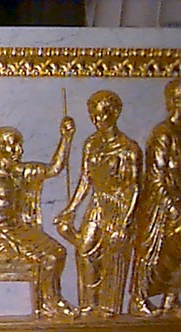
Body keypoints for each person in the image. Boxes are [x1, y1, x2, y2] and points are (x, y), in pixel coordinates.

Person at [54, 91, 142, 317]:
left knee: (113, 255)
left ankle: (109, 307)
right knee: (84, 251)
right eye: (93, 115)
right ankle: (88, 303)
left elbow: (134, 188)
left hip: (119, 206)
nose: (97, 120)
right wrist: (70, 209)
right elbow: (86, 180)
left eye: (102, 114)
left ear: (115, 113)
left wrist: (124, 221)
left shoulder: (129, 148)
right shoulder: (92, 144)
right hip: (98, 204)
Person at [0, 124, 77, 318]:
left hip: (20, 230)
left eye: (20, 145)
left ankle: (50, 300)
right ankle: (50, 302)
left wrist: (66, 138)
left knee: (59, 251)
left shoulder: (22, 172)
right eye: (13, 145)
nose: (19, 150)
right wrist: (6, 240)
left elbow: (54, 169)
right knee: (49, 258)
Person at [129, 78, 181, 317]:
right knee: (151, 252)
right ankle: (138, 298)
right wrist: (172, 207)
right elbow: (157, 175)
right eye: (177, 100)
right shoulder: (163, 134)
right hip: (160, 205)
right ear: (171, 102)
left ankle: (171, 299)